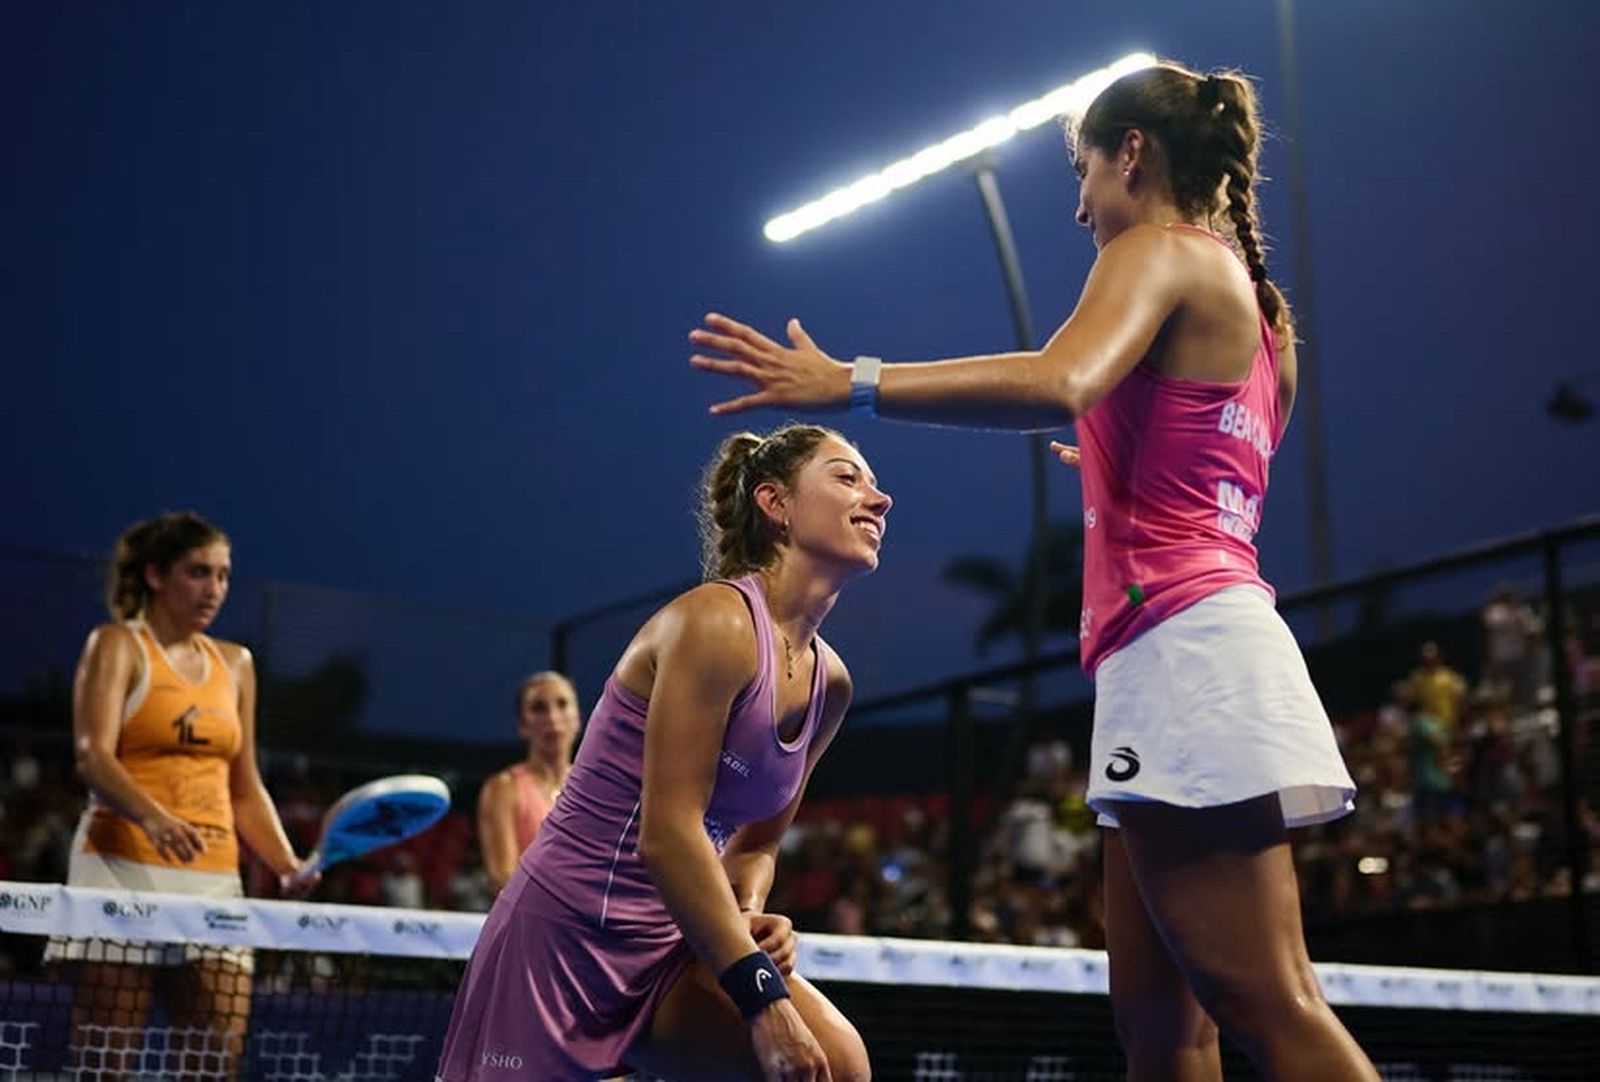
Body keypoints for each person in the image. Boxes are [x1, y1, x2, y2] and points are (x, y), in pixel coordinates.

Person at [690, 61, 1377, 1082]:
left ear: (1131, 154)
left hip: (1186, 649)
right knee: (1159, 1027)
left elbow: (1061, 379)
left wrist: (852, 382)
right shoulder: (1263, 316)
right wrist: (1112, 446)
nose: (1081, 202)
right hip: (1195, 649)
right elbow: (1210, 454)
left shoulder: (1159, 247)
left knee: (1267, 1000)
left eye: (1085, 169)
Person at [436, 425, 884, 1082]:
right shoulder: (717, 623)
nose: (880, 499)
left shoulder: (831, 686)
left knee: (839, 1068)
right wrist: (764, 1002)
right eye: (848, 477)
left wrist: (747, 912)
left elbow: (756, 843)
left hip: (671, 943)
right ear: (775, 502)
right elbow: (669, 834)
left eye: (873, 483)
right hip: (562, 944)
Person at [57, 511, 309, 1079]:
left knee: (214, 1065)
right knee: (104, 1069)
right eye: (199, 573)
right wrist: (153, 817)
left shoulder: (237, 664)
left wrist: (285, 862)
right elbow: (92, 756)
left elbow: (244, 786)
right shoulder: (117, 644)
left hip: (215, 881)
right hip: (120, 868)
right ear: (155, 575)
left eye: (223, 576)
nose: (214, 589)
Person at [477, 671, 581, 893]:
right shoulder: (504, 788)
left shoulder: (594, 788)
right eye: (539, 708)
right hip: (531, 924)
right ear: (523, 725)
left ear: (577, 718)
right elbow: (503, 879)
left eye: (562, 704)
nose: (553, 718)